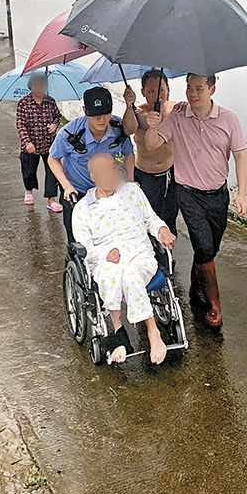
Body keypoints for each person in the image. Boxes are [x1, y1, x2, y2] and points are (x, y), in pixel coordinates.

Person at [144, 73, 247, 328]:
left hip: (218, 194)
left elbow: (241, 156)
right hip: (188, 193)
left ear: (212, 90)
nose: (192, 94)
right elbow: (151, 145)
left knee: (210, 248)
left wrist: (242, 193)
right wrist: (153, 125)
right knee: (203, 245)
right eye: (189, 88)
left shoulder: (228, 119)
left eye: (199, 89)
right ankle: (215, 306)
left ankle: (196, 287)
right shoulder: (178, 116)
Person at [71, 153, 177, 364]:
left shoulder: (133, 192)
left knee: (131, 276)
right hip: (105, 261)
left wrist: (162, 229)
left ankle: (153, 331)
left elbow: (151, 219)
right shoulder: (83, 209)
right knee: (111, 275)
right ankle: (119, 333)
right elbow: (84, 246)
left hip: (139, 254)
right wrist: (104, 254)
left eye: (112, 168)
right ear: (93, 176)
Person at [49, 86, 135, 242]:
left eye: (105, 114)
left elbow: (128, 154)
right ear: (85, 111)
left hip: (107, 192)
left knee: (108, 237)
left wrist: (129, 181)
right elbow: (53, 159)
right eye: (95, 116)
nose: (101, 120)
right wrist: (67, 186)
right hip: (77, 193)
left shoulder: (118, 128)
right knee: (77, 240)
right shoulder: (70, 133)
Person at [121, 70, 178, 234]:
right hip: (145, 175)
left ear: (168, 90)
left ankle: (168, 249)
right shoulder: (138, 113)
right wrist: (129, 104)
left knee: (169, 217)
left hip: (169, 174)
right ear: (143, 92)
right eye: (151, 91)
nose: (157, 95)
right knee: (146, 218)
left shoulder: (173, 111)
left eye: (161, 90)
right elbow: (128, 129)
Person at [15, 73, 63, 212]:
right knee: (28, 170)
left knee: (52, 171)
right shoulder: (24, 103)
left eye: (43, 84)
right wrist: (27, 142)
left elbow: (57, 116)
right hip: (31, 144)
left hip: (48, 143)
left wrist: (54, 125)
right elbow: (20, 124)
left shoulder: (50, 101)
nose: (40, 87)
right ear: (31, 86)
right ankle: (29, 191)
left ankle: (51, 200)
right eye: (37, 84)